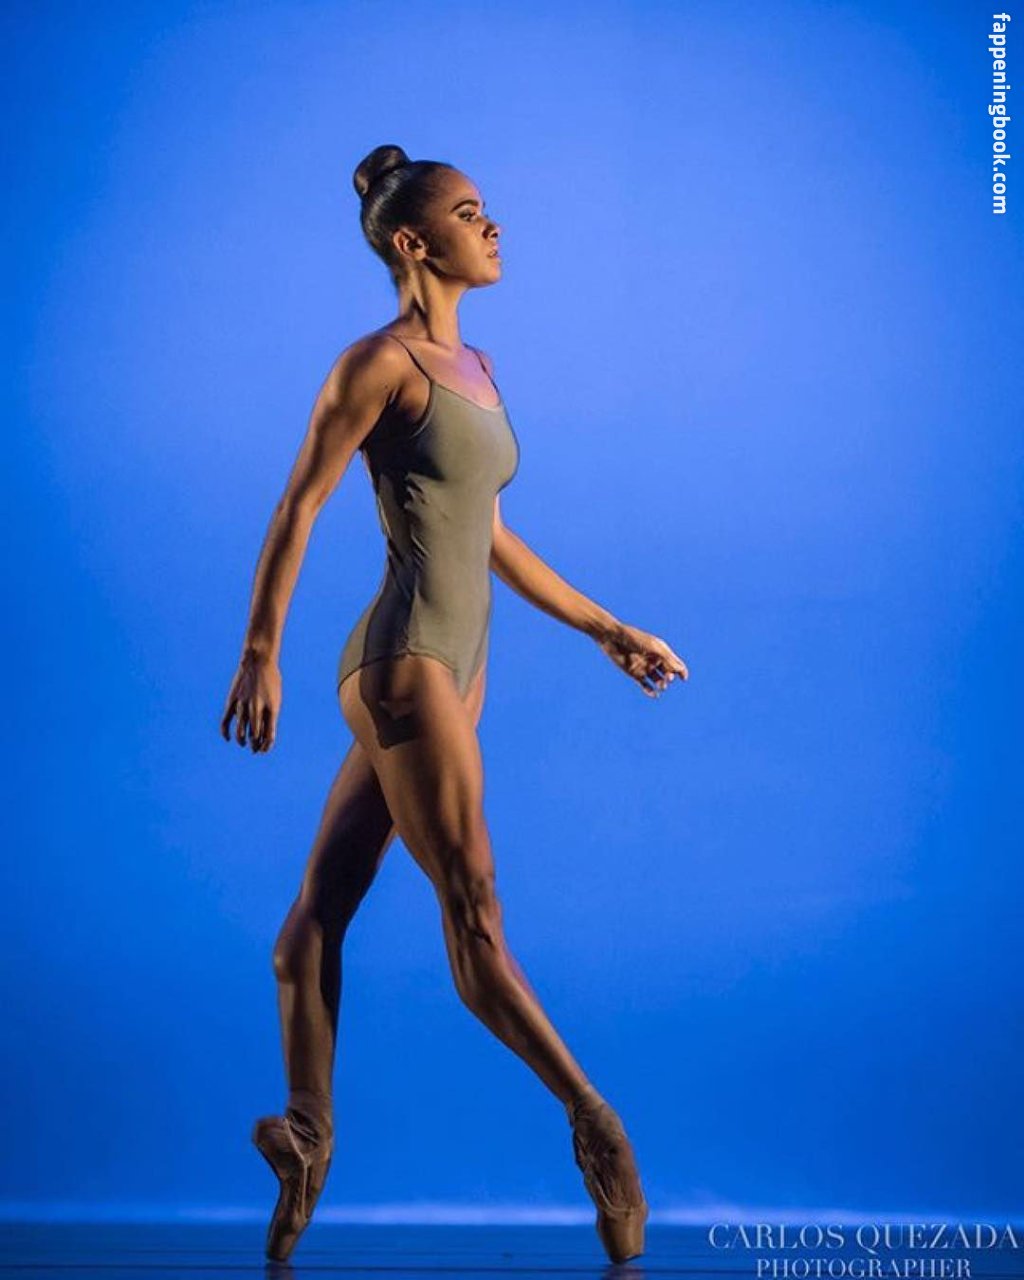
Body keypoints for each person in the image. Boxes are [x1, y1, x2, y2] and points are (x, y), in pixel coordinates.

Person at [219, 143, 689, 1266]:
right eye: (472, 214)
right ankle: (597, 1125)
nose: (494, 227)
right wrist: (259, 651)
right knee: (475, 915)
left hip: (458, 668)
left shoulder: (474, 365)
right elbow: (300, 504)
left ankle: (306, 1137)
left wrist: (608, 627)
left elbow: (487, 535)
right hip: (404, 663)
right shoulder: (375, 364)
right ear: (413, 241)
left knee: (310, 925)